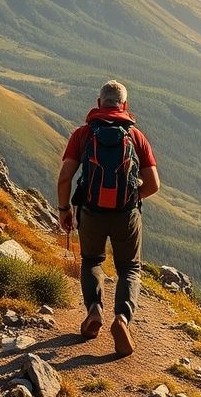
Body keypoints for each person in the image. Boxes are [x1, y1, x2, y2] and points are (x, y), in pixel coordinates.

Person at [56, 81, 161, 356]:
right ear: (124, 105)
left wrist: (64, 210)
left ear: (99, 102)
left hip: (90, 212)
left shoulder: (82, 134)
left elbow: (65, 176)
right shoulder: (135, 136)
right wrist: (132, 197)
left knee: (92, 261)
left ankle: (94, 310)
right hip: (126, 214)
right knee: (129, 268)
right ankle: (122, 319)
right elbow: (154, 184)